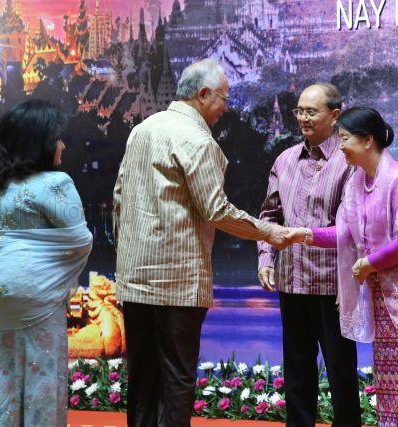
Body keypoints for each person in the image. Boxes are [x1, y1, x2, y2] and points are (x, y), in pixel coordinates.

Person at [113, 58, 288, 427]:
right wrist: (268, 232)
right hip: (178, 282)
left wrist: (128, 256)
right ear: (202, 94)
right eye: (223, 98)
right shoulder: (197, 139)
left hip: (135, 279)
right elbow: (217, 211)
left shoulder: (141, 130)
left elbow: (118, 200)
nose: (226, 107)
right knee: (177, 377)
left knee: (142, 378)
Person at [287, 107, 398, 426]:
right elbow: (345, 233)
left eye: (345, 139)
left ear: (368, 141)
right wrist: (305, 234)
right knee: (391, 367)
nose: (340, 146)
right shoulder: (356, 183)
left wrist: (368, 262)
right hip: (381, 280)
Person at [0, 99, 93, 426]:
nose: (62, 145)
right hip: (34, 297)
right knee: (42, 378)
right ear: (40, 142)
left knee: (4, 376)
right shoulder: (55, 184)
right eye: (57, 137)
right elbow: (80, 242)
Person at [257, 83, 360, 426]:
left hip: (332, 285)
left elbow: (351, 228)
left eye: (311, 112)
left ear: (335, 115)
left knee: (340, 371)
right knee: (297, 372)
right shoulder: (285, 160)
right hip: (292, 281)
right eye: (299, 111)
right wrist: (265, 258)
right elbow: (270, 217)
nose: (303, 118)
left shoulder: (348, 163)